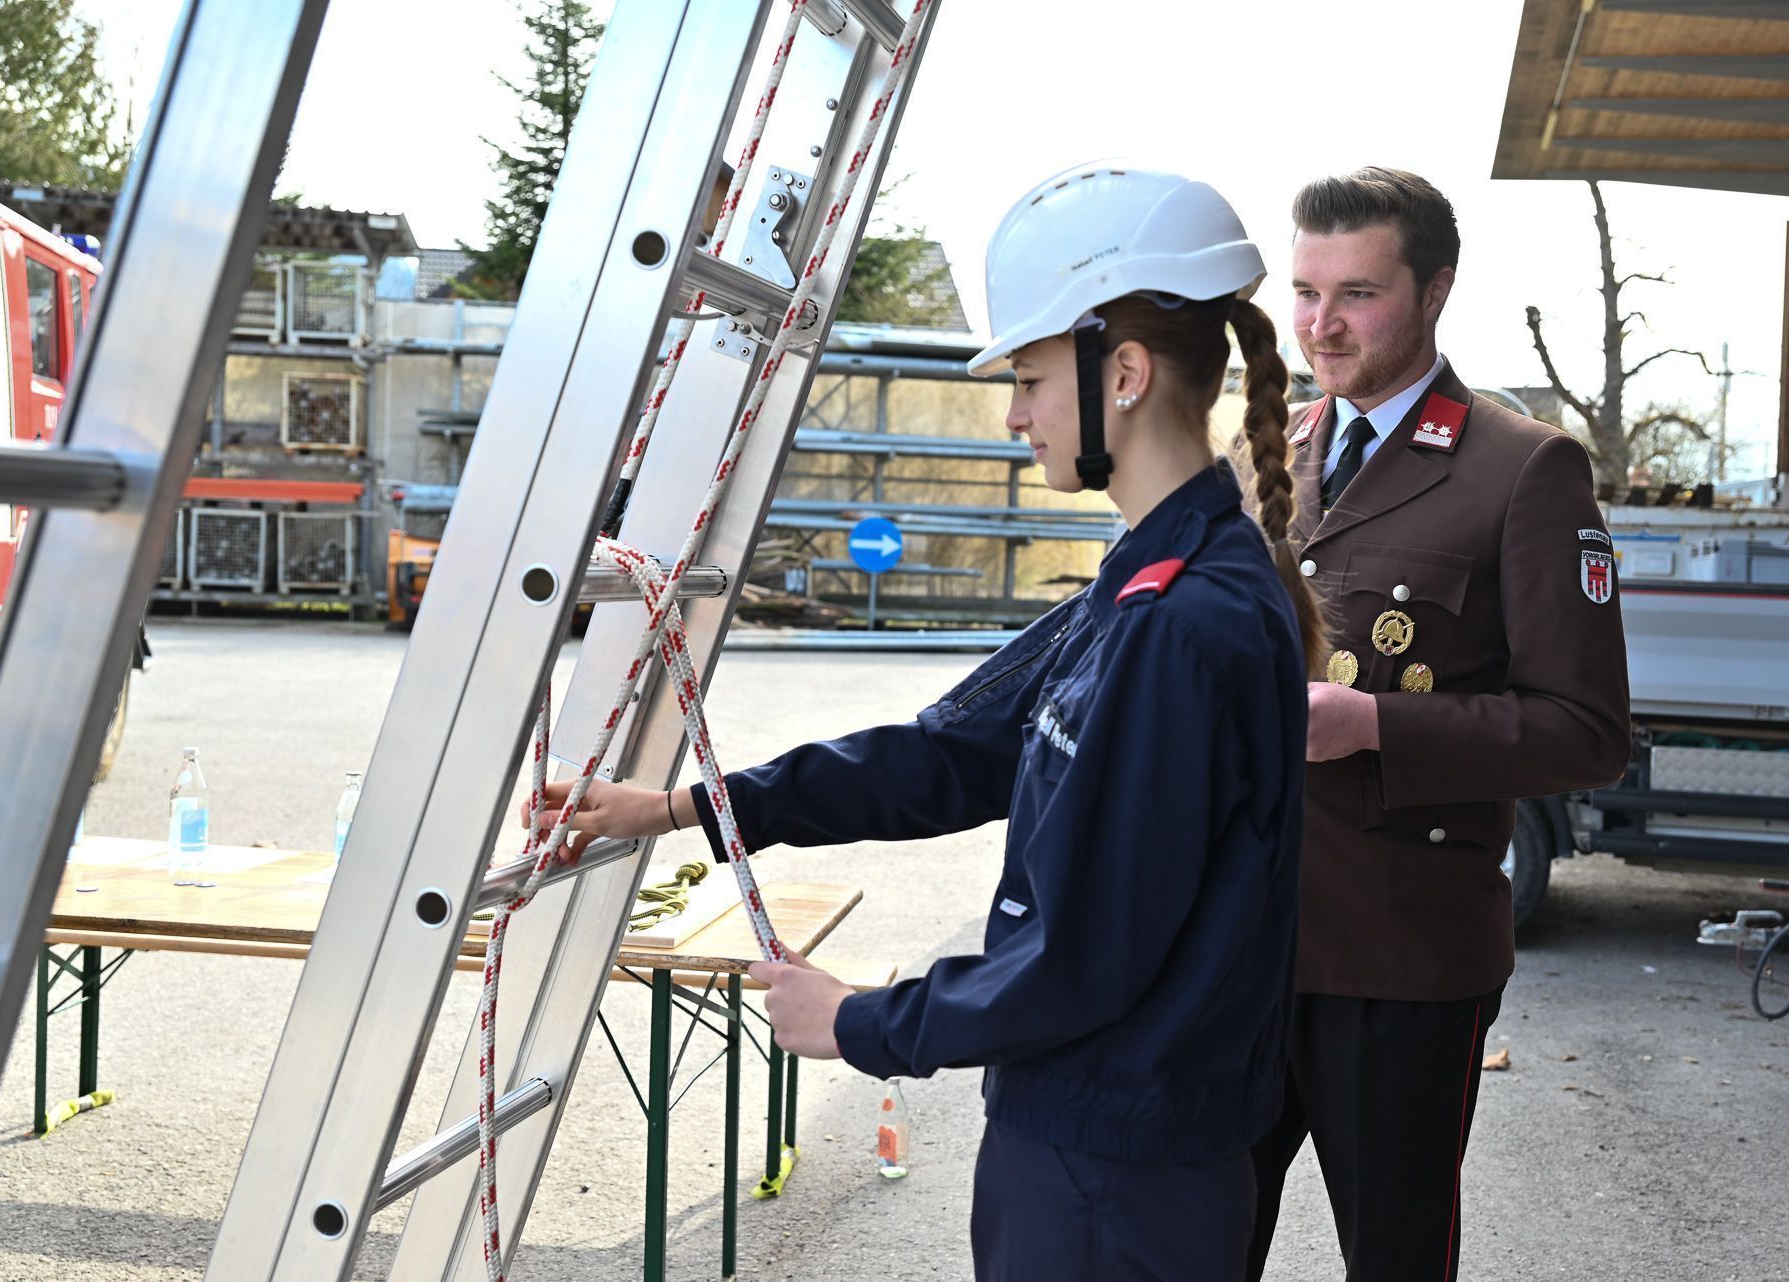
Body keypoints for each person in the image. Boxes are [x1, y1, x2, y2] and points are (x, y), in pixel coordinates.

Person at [528, 162, 1321, 1280]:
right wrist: (680, 808)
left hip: (1115, 1174)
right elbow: (951, 755)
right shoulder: (1150, 584)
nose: (1014, 414)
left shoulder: (1185, 621)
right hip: (1100, 1146)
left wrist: (861, 1021)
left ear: (1126, 373)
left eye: (1030, 379)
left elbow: (1082, 960)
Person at [1246, 166, 1632, 1280]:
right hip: (1245, 947)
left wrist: (1376, 724)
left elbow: (1587, 731)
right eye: (1306, 292)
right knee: (1194, 1242)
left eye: (1357, 295)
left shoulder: (1523, 468)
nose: (1321, 325)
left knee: (1396, 1259)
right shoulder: (1270, 452)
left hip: (1402, 956)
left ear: (1435, 292)